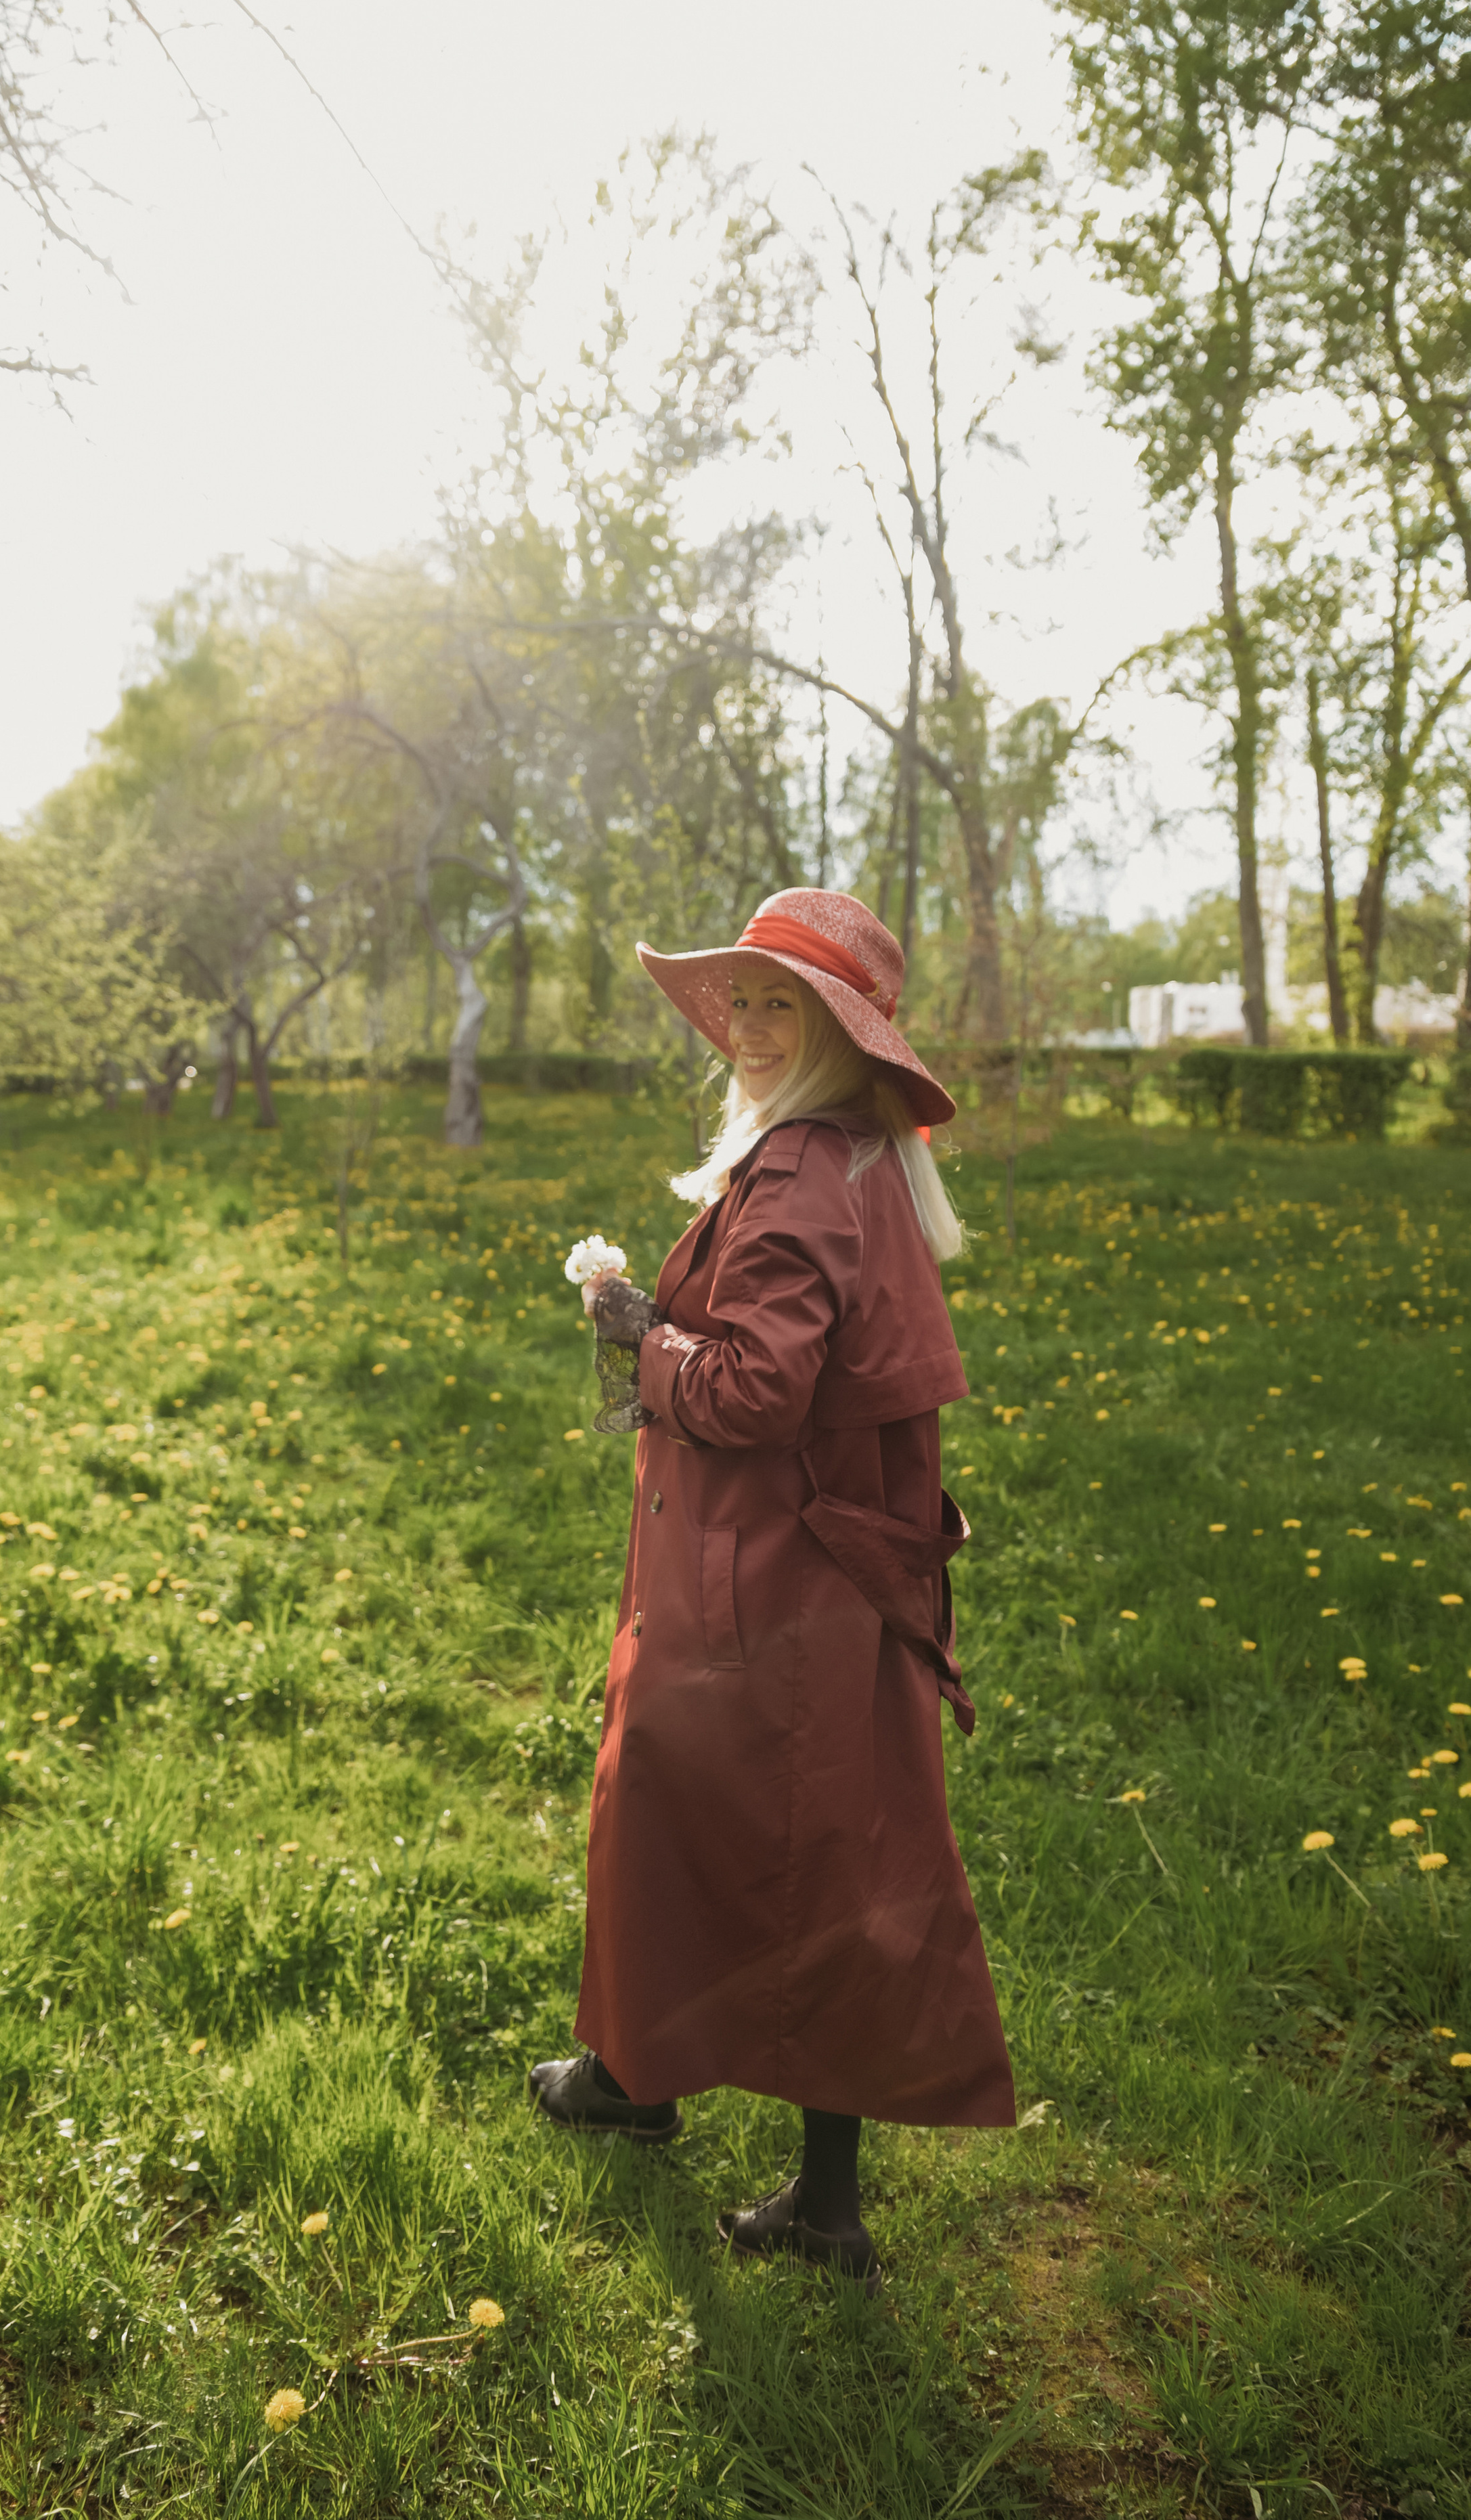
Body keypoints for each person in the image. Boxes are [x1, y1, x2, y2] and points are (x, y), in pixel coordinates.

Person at [528, 887, 1015, 2293]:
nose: (741, 1028)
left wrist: (641, 1336)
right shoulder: (853, 1156)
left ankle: (655, 2093)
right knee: (825, 1859)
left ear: (835, 1035)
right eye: (735, 1001)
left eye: (775, 1007)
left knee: (688, 1814)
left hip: (762, 1572)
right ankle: (711, 2121)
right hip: (818, 1570)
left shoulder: (802, 1170)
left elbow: (756, 1386)